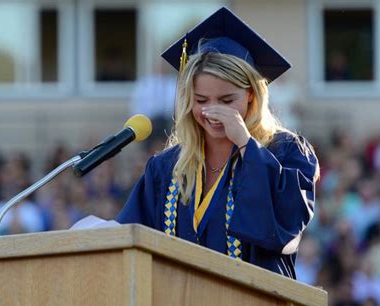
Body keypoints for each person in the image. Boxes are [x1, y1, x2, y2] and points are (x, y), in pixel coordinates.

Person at [117, 7, 319, 279]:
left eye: (226, 101)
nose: (212, 111)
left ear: (251, 95)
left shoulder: (286, 152)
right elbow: (129, 239)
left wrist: (246, 145)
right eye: (201, 100)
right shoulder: (166, 168)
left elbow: (282, 232)